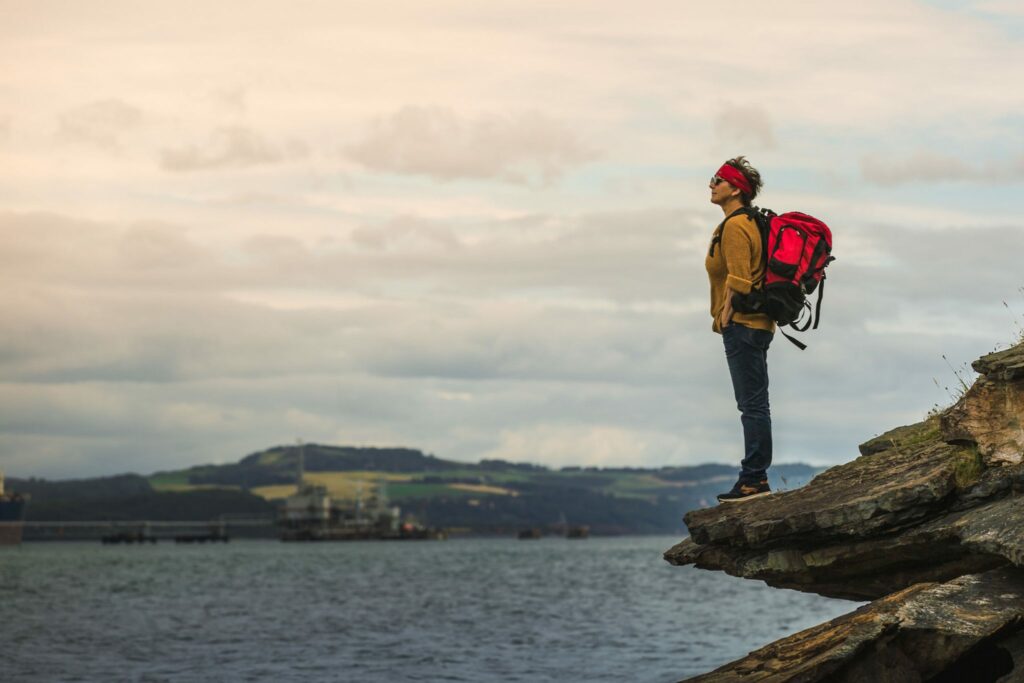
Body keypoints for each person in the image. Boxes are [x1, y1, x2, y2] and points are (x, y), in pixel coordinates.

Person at [705, 157, 775, 503]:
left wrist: (725, 315)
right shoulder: (752, 222)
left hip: (743, 324)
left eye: (719, 180)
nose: (711, 184)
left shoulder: (735, 225)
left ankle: (753, 479)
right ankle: (755, 476)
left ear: (736, 189)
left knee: (751, 405)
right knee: (755, 403)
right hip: (758, 324)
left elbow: (740, 280)